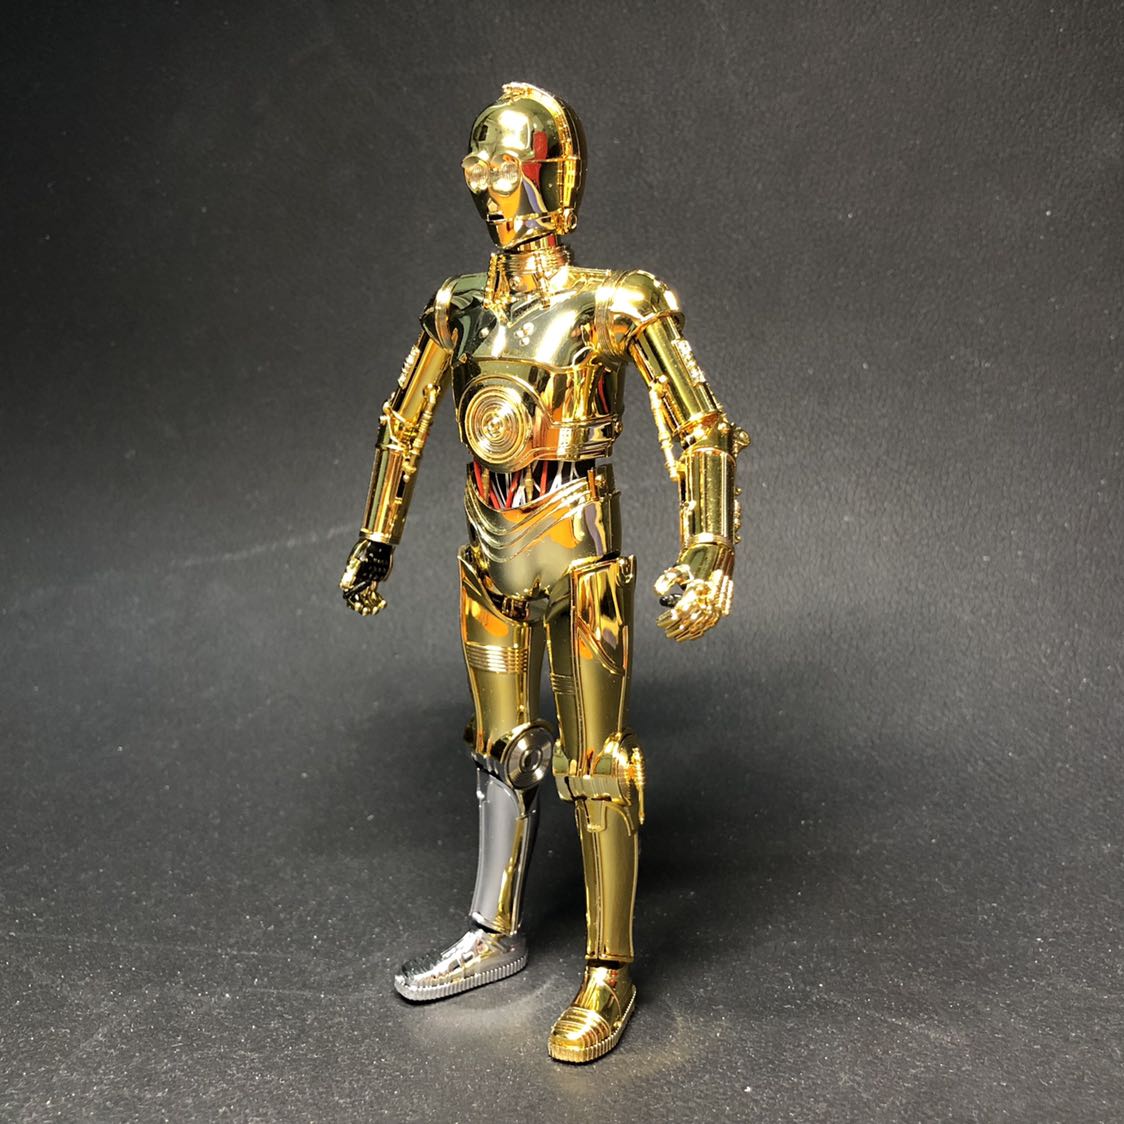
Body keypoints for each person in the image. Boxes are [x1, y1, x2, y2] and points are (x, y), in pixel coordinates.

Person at [339, 82, 748, 1063]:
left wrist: (709, 550)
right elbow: (404, 425)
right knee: (498, 747)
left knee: (596, 764)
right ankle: (494, 929)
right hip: (488, 546)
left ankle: (609, 966)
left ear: (550, 178)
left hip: (579, 554)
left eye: (508, 168)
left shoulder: (614, 303)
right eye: (479, 168)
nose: (491, 189)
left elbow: (698, 428)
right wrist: (377, 536)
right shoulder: (459, 306)